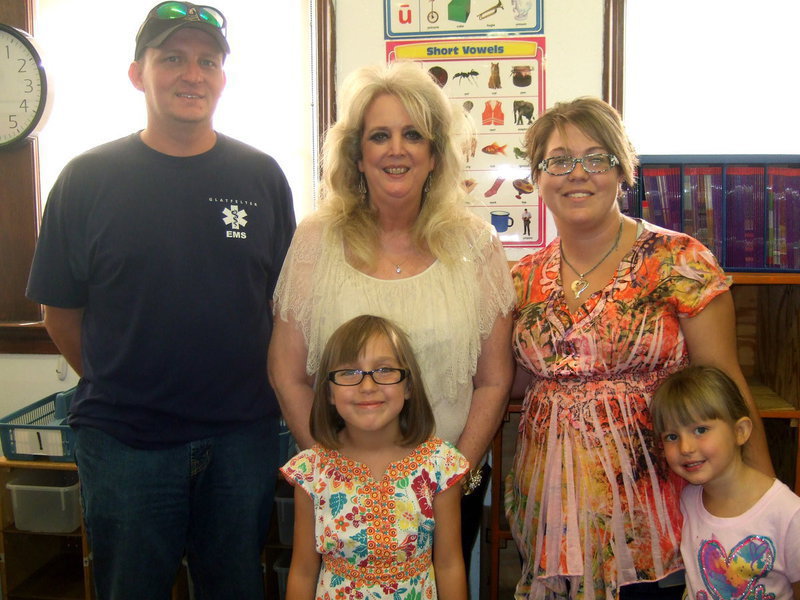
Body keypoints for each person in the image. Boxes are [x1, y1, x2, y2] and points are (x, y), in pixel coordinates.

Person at [25, 3, 296, 598]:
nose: (191, 74)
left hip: (241, 439)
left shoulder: (261, 177)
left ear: (223, 77)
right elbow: (59, 314)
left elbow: (285, 310)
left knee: (234, 587)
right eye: (171, 58)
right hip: (125, 443)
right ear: (137, 73)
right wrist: (126, 382)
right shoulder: (86, 179)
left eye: (207, 61)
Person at [505, 96, 774, 600]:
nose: (576, 174)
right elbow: (508, 383)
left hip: (657, 521)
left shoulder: (678, 260)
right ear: (537, 178)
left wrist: (764, 507)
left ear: (623, 170)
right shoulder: (519, 279)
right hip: (549, 519)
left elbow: (725, 384)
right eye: (558, 161)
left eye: (596, 158)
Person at [268, 60, 515, 568]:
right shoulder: (316, 241)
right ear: (357, 155)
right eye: (380, 135)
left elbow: (493, 380)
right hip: (343, 496)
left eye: (413, 135)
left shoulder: (477, 246)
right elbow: (287, 373)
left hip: (448, 489)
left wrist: (452, 477)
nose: (396, 149)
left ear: (435, 154)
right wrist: (338, 477)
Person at [281, 314, 470, 599]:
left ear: (408, 386)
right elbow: (303, 571)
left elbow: (449, 565)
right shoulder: (311, 472)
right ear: (329, 392)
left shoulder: (439, 467)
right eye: (349, 372)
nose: (367, 386)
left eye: (384, 369)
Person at [651, 365, 800, 600]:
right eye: (672, 436)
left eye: (700, 430)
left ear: (740, 431)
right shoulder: (686, 501)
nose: (685, 448)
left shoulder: (788, 513)